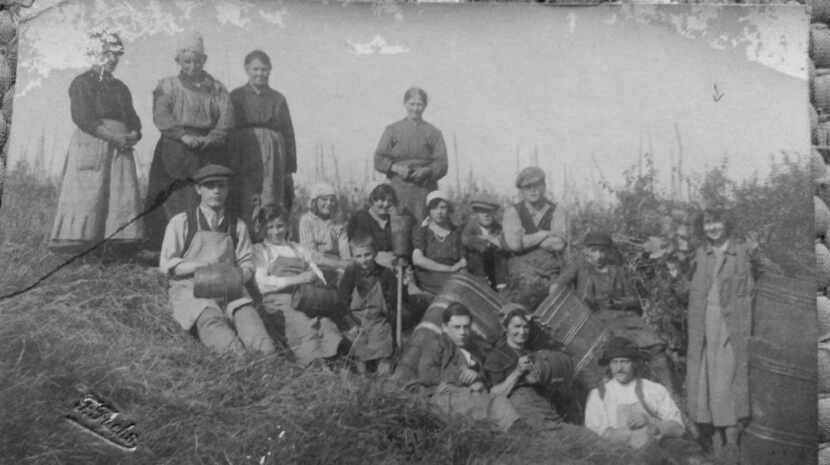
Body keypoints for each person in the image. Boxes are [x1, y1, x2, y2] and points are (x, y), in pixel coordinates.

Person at [159, 164, 275, 356]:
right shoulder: (182, 222)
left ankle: (266, 362)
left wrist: (238, 277)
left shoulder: (237, 225)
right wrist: (201, 266)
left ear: (228, 189)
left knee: (249, 319)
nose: (216, 191)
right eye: (210, 186)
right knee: (211, 320)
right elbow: (167, 264)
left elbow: (247, 263)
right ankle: (236, 360)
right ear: (198, 189)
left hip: (228, 285)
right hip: (191, 287)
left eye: (221, 186)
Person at [49, 30, 143, 254]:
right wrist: (113, 136)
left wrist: (134, 134)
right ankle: (79, 250)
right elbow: (82, 117)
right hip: (92, 143)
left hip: (121, 149)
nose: (112, 59)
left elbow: (133, 119)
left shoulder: (121, 88)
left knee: (119, 196)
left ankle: (116, 250)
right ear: (94, 54)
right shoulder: (82, 83)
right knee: (88, 195)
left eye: (116, 55)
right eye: (107, 53)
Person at [549, 231, 676, 394]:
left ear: (609, 252)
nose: (599, 255)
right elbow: (556, 287)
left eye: (603, 251)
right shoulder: (579, 267)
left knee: (656, 347)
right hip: (593, 319)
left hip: (624, 317)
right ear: (586, 251)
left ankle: (670, 395)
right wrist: (572, 307)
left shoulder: (618, 270)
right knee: (613, 348)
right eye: (594, 251)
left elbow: (634, 300)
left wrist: (618, 302)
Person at [145, 31, 234, 251]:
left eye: (197, 60)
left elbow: (226, 118)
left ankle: (202, 246)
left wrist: (210, 138)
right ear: (178, 61)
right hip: (175, 147)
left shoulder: (217, 88)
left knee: (204, 196)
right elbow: (161, 115)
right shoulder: (168, 85)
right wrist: (182, 136)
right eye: (187, 61)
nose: (192, 66)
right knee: (172, 196)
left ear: (204, 60)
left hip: (208, 149)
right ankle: (165, 248)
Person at [685, 208, 759, 465]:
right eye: (707, 223)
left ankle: (731, 441)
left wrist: (758, 253)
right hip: (703, 322)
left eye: (716, 222)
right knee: (705, 376)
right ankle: (712, 437)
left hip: (731, 323)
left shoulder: (742, 251)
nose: (712, 227)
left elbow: (754, 285)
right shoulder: (701, 253)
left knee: (727, 377)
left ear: (726, 223)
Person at [392, 303, 521, 432]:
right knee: (488, 405)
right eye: (457, 327)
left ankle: (515, 431)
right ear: (445, 327)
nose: (462, 332)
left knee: (499, 401)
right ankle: (509, 430)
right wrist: (460, 375)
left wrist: (478, 378)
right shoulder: (437, 343)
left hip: (470, 395)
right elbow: (426, 373)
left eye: (466, 327)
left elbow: (485, 375)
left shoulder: (474, 348)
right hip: (442, 396)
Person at [585, 337, 710, 465]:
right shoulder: (598, 395)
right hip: (619, 455)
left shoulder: (654, 389)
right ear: (609, 365)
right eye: (615, 362)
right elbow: (595, 436)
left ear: (634, 363)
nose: (619, 368)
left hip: (657, 449)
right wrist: (632, 436)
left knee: (689, 456)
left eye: (624, 362)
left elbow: (678, 428)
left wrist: (652, 423)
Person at [252, 203, 345, 367]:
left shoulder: (298, 249)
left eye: (280, 226)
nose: (276, 232)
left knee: (325, 323)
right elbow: (262, 284)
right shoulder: (261, 250)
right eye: (270, 227)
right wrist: (298, 279)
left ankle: (335, 363)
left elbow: (317, 274)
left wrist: (317, 281)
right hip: (278, 301)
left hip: (307, 298)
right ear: (263, 229)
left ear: (287, 225)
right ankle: (313, 366)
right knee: (301, 323)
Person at [229, 50, 296, 224]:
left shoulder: (278, 98)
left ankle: (268, 235)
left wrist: (289, 167)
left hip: (273, 153)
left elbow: (288, 133)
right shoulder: (236, 96)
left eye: (264, 69)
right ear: (246, 69)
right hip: (244, 150)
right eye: (255, 69)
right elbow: (227, 127)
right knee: (246, 194)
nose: (260, 74)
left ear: (270, 70)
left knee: (270, 194)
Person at [483, 305, 574, 430]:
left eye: (525, 327)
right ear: (505, 328)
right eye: (517, 326)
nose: (522, 331)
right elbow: (494, 395)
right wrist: (517, 372)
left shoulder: (533, 354)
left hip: (545, 408)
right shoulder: (496, 357)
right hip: (523, 412)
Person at [374, 87, 448, 222]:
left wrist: (428, 170)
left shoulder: (434, 133)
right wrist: (396, 168)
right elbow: (379, 158)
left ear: (425, 106)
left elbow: (442, 164)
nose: (415, 108)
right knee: (399, 233)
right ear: (405, 104)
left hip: (424, 189)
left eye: (419, 104)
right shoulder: (392, 130)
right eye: (412, 104)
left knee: (422, 232)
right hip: (398, 189)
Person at [502, 167, 569, 308]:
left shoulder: (557, 210)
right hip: (521, 275)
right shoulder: (512, 212)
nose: (533, 191)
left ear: (544, 186)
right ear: (521, 190)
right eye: (528, 187)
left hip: (550, 273)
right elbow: (514, 245)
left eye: (537, 186)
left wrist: (525, 240)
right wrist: (543, 234)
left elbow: (558, 244)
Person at [337, 234, 398, 375]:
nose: (363, 260)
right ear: (353, 256)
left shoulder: (386, 274)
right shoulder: (351, 272)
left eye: (367, 255)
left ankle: (382, 377)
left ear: (375, 253)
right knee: (360, 363)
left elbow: (393, 304)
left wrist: (389, 325)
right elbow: (341, 302)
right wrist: (351, 324)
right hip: (357, 322)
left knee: (384, 367)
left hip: (378, 322)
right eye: (358, 256)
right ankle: (362, 376)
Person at [411, 191, 466, 296]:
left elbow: (463, 259)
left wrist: (459, 265)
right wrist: (449, 269)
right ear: (429, 211)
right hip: (429, 276)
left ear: (449, 209)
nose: (439, 212)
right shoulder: (422, 231)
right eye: (434, 208)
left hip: (453, 276)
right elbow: (417, 260)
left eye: (443, 207)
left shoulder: (456, 232)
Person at [346, 183, 402, 269]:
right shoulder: (360, 218)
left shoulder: (394, 220)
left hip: (393, 266)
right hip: (367, 265)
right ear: (372, 200)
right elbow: (355, 248)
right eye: (382, 199)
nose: (386, 204)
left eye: (390, 200)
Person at [297, 182, 351, 269]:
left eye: (332, 200)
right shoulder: (307, 221)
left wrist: (345, 264)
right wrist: (338, 264)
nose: (329, 203)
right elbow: (310, 254)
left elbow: (345, 252)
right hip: (315, 266)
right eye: (324, 199)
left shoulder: (338, 222)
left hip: (338, 265)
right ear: (315, 201)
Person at [462, 193, 508, 290]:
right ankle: (482, 283)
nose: (486, 215)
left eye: (489, 211)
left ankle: (502, 285)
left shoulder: (498, 228)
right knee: (475, 255)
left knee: (500, 254)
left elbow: (505, 244)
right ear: (476, 213)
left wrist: (491, 239)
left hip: (495, 269)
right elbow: (466, 240)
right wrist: (485, 242)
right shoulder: (470, 227)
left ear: (494, 213)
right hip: (477, 268)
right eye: (482, 211)